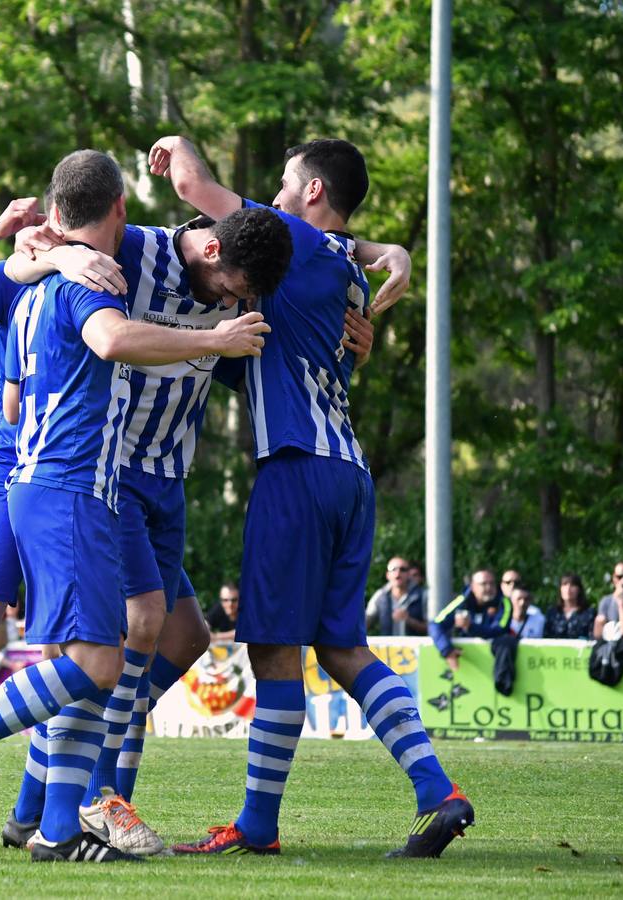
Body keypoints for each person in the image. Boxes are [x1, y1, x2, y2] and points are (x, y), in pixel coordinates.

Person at [0, 150, 282, 862]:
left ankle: (50, 824)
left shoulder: (68, 270)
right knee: (87, 650)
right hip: (68, 481)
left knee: (142, 645)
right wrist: (32, 250)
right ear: (118, 212)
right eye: (228, 285)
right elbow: (96, 332)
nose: (231, 303)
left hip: (105, 479)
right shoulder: (98, 273)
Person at [149, 135, 471, 859]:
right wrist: (388, 250)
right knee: (343, 648)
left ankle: (256, 826)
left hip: (294, 469)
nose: (274, 192)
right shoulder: (348, 280)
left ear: (314, 193)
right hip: (347, 473)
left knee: (270, 653)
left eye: (286, 181)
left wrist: (178, 145)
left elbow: (198, 191)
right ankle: (438, 792)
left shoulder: (288, 242)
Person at [430, 569, 511, 669]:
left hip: (496, 665)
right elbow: (435, 624)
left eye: (492, 583)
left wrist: (470, 627)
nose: (489, 587)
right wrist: (447, 650)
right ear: (473, 587)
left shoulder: (504, 603)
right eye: (483, 584)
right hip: (466, 664)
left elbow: (499, 630)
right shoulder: (462, 601)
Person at [365, 557, 427, 636]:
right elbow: (365, 623)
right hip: (386, 648)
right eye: (393, 569)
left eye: (403, 569)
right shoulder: (380, 596)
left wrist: (409, 621)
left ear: (408, 574)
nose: (398, 573)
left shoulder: (423, 595)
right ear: (387, 575)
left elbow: (434, 629)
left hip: (418, 648)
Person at [544, 573, 594, 640]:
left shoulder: (589, 613)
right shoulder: (552, 613)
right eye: (564, 585)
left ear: (579, 589)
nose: (568, 589)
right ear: (560, 589)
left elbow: (592, 639)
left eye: (572, 585)